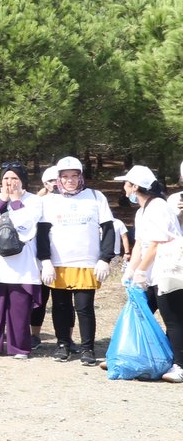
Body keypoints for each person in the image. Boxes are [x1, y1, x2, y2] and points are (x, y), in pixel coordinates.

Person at [38, 156, 114, 366]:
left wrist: (105, 258)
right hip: (59, 263)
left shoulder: (95, 197)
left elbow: (108, 229)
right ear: (58, 179)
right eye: (65, 177)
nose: (70, 180)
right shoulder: (49, 201)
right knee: (60, 306)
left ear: (81, 176)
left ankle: (87, 348)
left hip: (86, 263)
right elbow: (42, 233)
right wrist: (45, 261)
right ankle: (63, 344)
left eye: (74, 176)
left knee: (84, 307)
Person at [119, 164, 183, 382]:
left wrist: (142, 272)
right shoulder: (141, 211)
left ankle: (179, 365)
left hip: (168, 274)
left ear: (135, 186)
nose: (125, 189)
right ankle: (130, 355)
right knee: (138, 310)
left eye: (126, 185)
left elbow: (157, 243)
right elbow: (140, 244)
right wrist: (131, 271)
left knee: (173, 319)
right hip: (152, 274)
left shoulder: (158, 207)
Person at [0, 163, 44, 360]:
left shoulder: (34, 200)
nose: (9, 182)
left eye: (14, 178)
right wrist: (3, 200)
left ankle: (19, 347)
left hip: (21, 263)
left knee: (19, 308)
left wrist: (15, 201)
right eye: (6, 178)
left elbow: (26, 225)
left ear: (23, 180)